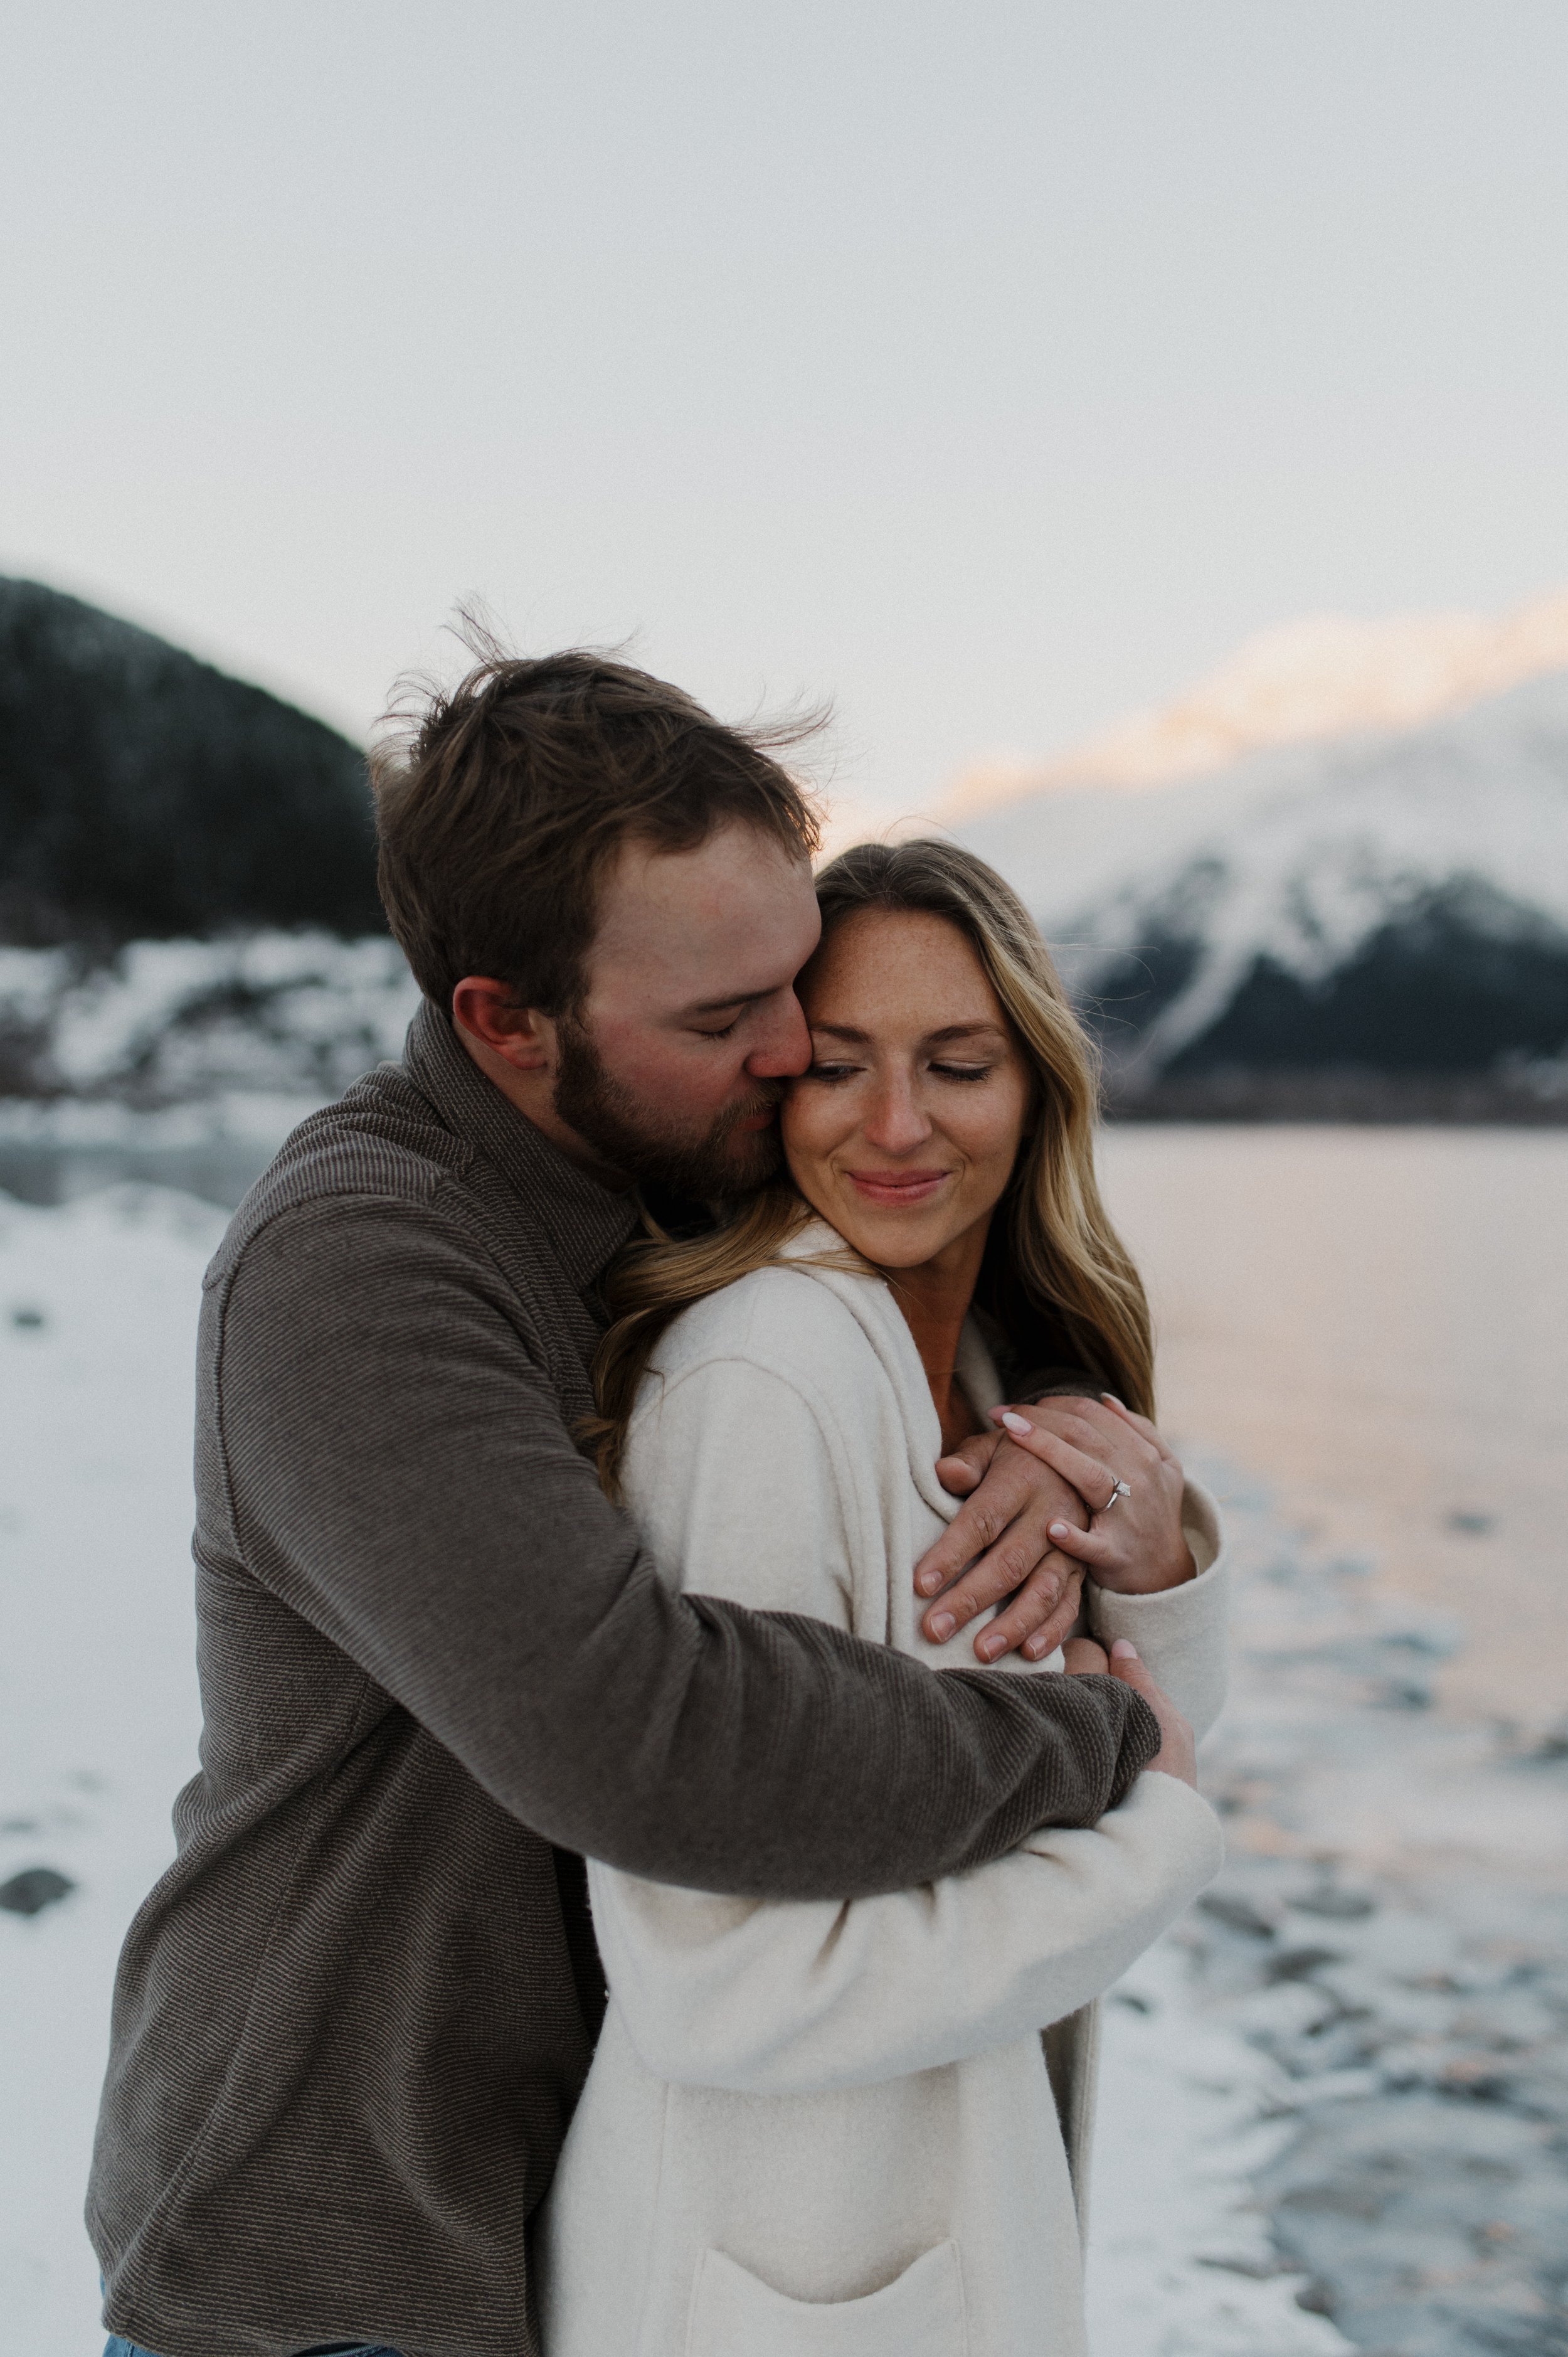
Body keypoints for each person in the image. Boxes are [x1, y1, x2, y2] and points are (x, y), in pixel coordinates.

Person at [90, 651, 1173, 2357]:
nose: (794, 1046)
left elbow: (921, 1282)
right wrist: (1089, 1745)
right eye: (720, 1019)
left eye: (786, 978)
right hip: (336, 2251)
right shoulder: (363, 1260)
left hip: (586, 2224)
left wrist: (1046, 1421)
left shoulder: (662, 1181)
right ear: (505, 1023)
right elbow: (638, 1727)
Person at [536, 839, 1229, 2357]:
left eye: (958, 1064)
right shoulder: (762, 1379)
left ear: (1036, 1085)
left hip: (941, 2242)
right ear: (772, 1084)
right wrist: (1150, 1855)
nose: (897, 1124)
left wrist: (1159, 1564)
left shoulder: (978, 1372)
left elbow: (1124, 1746)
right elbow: (718, 1981)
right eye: (837, 1066)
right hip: (751, 2292)